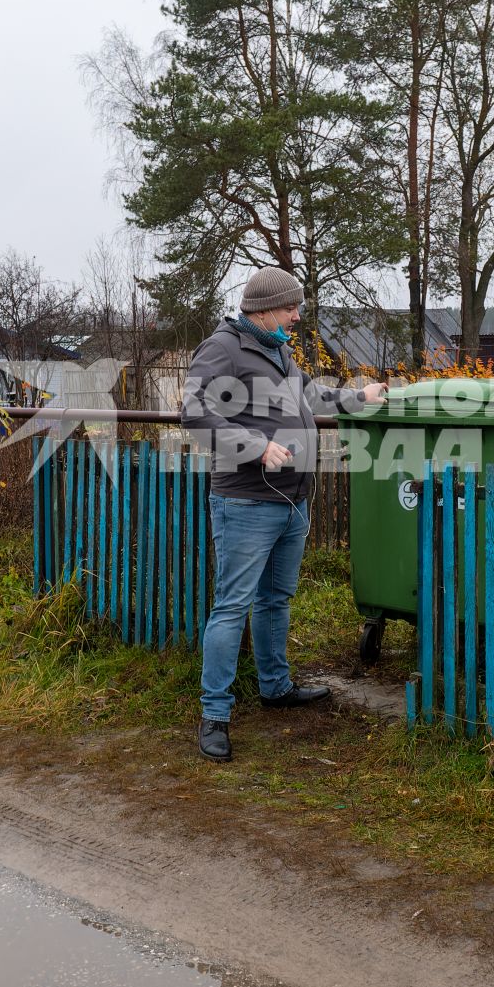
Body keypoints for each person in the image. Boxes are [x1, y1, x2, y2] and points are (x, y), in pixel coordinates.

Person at [180, 266, 385, 762]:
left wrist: (358, 397)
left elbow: (309, 396)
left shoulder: (278, 349)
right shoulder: (224, 347)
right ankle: (214, 715)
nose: (297, 317)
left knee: (276, 600)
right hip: (246, 501)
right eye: (291, 308)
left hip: (292, 499)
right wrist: (254, 446)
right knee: (233, 606)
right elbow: (193, 410)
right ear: (265, 308)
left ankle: (275, 687)